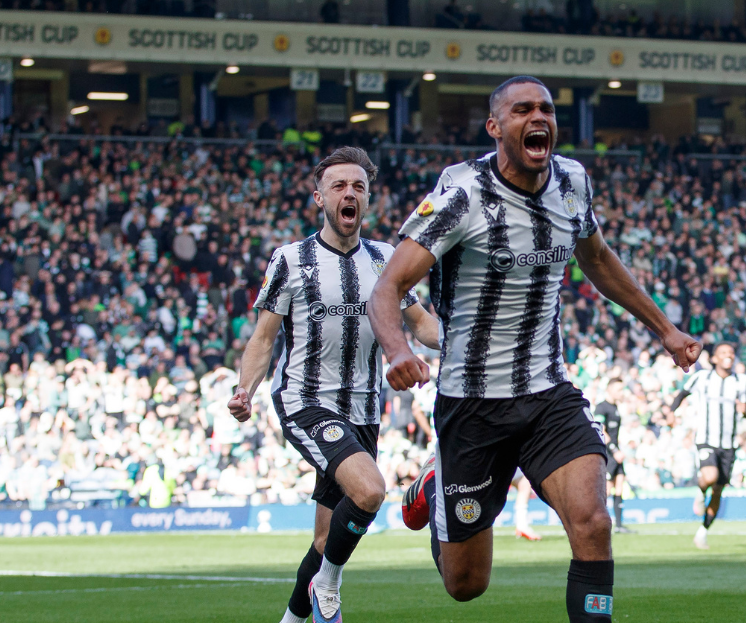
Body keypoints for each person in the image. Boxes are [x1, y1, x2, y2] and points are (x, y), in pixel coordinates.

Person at [370, 76, 699, 623]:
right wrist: (397, 350)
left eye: (545, 108)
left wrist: (663, 328)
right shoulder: (462, 194)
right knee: (466, 586)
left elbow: (596, 258)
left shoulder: (571, 181)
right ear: (496, 127)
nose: (538, 116)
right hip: (471, 405)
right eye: (521, 109)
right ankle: (437, 484)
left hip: (548, 394)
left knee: (593, 522)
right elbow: (388, 284)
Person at [227, 146, 440, 623]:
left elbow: (422, 325)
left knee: (325, 540)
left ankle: (294, 618)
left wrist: (467, 340)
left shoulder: (387, 259)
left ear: (368, 198)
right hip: (306, 400)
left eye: (359, 186)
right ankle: (330, 584)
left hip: (364, 410)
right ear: (319, 196)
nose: (350, 193)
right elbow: (264, 338)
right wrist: (246, 390)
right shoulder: (291, 259)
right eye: (339, 186)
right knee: (369, 492)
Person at [671, 342, 746, 550]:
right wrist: (670, 413)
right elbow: (682, 393)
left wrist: (745, 411)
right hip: (706, 438)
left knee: (718, 491)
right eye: (724, 352)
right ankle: (700, 494)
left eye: (731, 352)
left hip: (729, 443)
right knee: (710, 477)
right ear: (714, 358)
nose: (729, 355)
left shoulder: (742, 382)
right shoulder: (702, 378)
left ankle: (702, 532)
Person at [594, 378, 631, 534]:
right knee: (606, 490)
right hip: (608, 453)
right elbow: (601, 430)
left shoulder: (615, 407)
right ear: (609, 390)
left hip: (616, 453)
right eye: (618, 389)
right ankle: (598, 523)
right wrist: (615, 450)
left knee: (620, 486)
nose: (621, 392)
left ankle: (619, 525)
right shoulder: (602, 407)